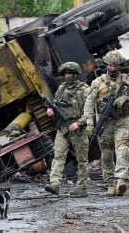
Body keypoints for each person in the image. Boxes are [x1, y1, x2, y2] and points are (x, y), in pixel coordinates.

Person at [84, 50, 129, 196]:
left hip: (121, 122)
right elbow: (89, 104)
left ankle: (121, 180)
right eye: (110, 65)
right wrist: (90, 124)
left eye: (116, 65)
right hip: (104, 125)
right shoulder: (97, 83)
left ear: (120, 65)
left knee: (123, 150)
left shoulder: (128, 81)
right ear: (106, 65)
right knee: (106, 155)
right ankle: (110, 183)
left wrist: (126, 100)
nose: (113, 68)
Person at [45, 62, 90, 197]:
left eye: (70, 73)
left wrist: (79, 123)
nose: (67, 76)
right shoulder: (62, 88)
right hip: (63, 128)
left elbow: (91, 111)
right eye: (65, 74)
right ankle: (54, 184)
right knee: (58, 155)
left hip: (78, 129)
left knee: (81, 159)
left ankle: (81, 187)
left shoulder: (84, 90)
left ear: (76, 75)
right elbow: (55, 103)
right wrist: (50, 109)